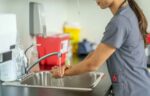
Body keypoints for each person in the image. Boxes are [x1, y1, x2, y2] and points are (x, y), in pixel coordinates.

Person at [51, 0, 150, 96]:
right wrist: (69, 68)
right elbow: (95, 54)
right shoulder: (127, 13)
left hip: (133, 91)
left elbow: (92, 64)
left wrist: (63, 73)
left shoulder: (119, 22)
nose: (95, 1)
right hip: (139, 87)